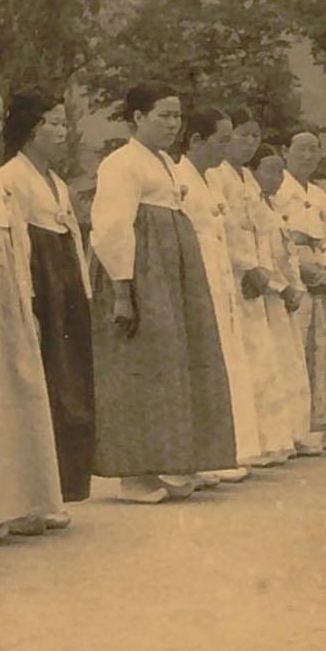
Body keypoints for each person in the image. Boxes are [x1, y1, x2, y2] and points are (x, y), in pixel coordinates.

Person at [88, 82, 237, 503]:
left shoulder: (165, 164)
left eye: (177, 117)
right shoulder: (120, 164)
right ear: (137, 118)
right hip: (141, 275)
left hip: (171, 276)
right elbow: (112, 228)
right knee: (141, 365)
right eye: (164, 116)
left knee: (175, 363)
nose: (173, 125)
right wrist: (122, 290)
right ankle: (135, 475)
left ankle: (176, 460)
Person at [0, 81, 72, 533]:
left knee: (18, 389)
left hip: (9, 286)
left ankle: (21, 500)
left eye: (1, 117)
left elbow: (17, 243)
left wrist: (24, 299)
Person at [0, 93, 98, 503]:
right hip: (41, 285)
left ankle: (71, 483)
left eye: (63, 123)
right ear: (30, 128)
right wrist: (29, 299)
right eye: (52, 123)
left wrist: (84, 292)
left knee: (74, 380)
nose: (61, 131)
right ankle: (42, 486)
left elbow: (73, 240)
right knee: (48, 382)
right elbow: (17, 246)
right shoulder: (10, 178)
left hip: (67, 286)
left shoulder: (57, 183)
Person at [172, 109, 263, 479]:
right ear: (196, 140)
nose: (227, 148)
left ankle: (226, 452)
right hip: (197, 277)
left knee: (225, 361)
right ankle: (201, 458)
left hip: (220, 275)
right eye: (221, 140)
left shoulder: (210, 181)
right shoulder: (179, 179)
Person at [210, 119, 302, 464]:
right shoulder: (217, 175)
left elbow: (264, 228)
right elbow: (226, 229)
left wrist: (268, 274)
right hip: (234, 274)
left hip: (258, 275)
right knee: (240, 361)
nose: (249, 142)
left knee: (262, 361)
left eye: (255, 136)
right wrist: (248, 267)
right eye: (243, 135)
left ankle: (264, 440)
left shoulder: (248, 179)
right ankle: (238, 446)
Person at [276, 132, 326, 451]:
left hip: (321, 278)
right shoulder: (278, 188)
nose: (308, 156)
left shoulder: (321, 194)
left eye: (314, 150)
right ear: (286, 150)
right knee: (295, 351)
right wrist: (300, 267)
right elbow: (278, 236)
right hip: (294, 276)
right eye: (301, 149)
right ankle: (292, 430)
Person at [249, 145, 320, 455]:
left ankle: (293, 433)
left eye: (280, 171)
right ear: (253, 172)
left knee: (291, 364)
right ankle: (268, 439)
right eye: (270, 170)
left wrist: (295, 286)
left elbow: (288, 253)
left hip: (286, 295)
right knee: (268, 368)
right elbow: (262, 256)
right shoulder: (254, 207)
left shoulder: (277, 207)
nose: (277, 177)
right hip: (268, 294)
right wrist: (281, 287)